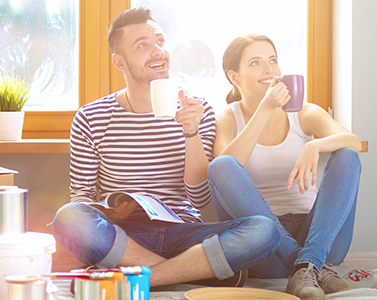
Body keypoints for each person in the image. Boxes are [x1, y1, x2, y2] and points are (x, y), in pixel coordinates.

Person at [51, 8, 284, 288]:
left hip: (184, 233)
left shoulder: (199, 110)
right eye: (143, 45)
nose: (158, 50)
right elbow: (82, 196)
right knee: (68, 217)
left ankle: (137, 278)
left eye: (160, 41)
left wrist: (191, 131)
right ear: (119, 62)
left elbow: (200, 199)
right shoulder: (91, 117)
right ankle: (189, 272)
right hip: (125, 236)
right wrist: (105, 211)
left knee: (264, 230)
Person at [207, 33, 362, 300]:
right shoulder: (228, 118)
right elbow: (226, 168)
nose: (269, 69)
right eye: (256, 63)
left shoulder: (303, 112)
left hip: (320, 237)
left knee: (347, 154)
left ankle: (308, 260)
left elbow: (353, 141)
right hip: (266, 245)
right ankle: (307, 265)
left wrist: (313, 146)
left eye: (273, 60)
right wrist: (266, 108)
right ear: (234, 77)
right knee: (219, 165)